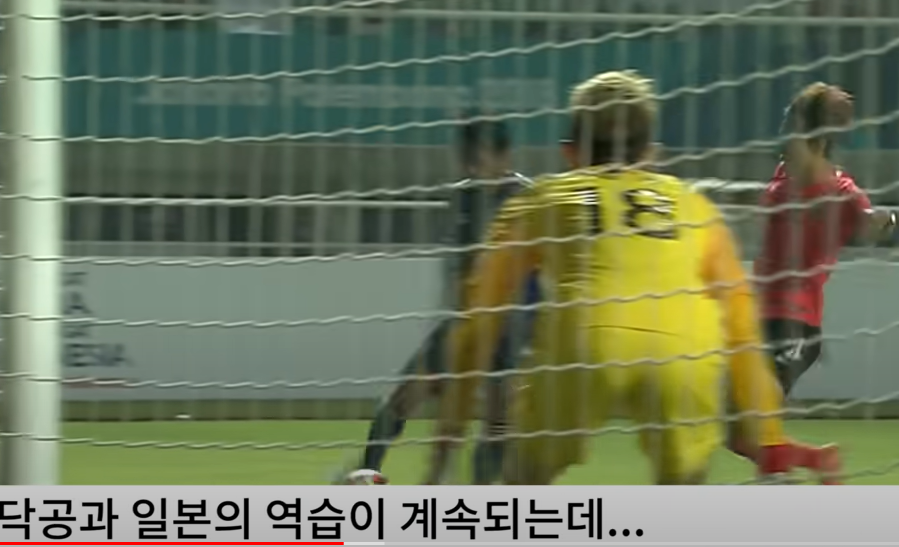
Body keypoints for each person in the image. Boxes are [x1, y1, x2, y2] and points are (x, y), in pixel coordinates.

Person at [427, 70, 808, 485]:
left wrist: (449, 432)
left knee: (524, 479)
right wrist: (768, 436)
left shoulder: (541, 199)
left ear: (570, 153)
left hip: (582, 341)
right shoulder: (695, 207)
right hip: (680, 347)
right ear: (652, 153)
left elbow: (480, 317)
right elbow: (741, 326)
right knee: (685, 484)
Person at [341, 113, 539, 484]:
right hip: (463, 322)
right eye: (468, 160)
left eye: (479, 158)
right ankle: (368, 475)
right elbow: (458, 266)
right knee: (401, 398)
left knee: (498, 423)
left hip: (509, 329)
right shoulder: (464, 197)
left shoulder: (528, 199)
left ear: (504, 155)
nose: (473, 167)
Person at [727, 83, 896, 482]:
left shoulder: (843, 193)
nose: (785, 141)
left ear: (818, 140)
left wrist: (885, 221)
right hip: (754, 317)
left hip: (795, 324)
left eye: (795, 133)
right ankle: (819, 461)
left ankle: (779, 488)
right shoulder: (783, 174)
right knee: (732, 433)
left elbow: (872, 224)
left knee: (759, 415)